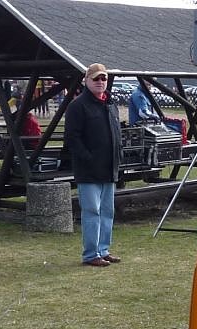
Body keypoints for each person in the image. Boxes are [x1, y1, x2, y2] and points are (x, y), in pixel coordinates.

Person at [64, 63, 123, 267]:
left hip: (109, 168)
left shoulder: (110, 104)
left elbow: (116, 134)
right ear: (86, 81)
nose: (100, 82)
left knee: (107, 212)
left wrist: (118, 157)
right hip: (89, 170)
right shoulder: (77, 106)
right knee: (92, 211)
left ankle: (103, 250)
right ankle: (91, 254)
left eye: (103, 78)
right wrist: (87, 157)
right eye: (96, 78)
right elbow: (72, 138)